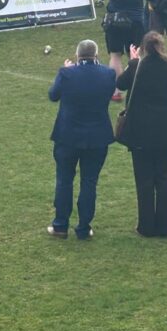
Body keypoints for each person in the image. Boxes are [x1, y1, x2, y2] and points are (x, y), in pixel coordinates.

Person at [115, 33, 167, 237]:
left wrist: (133, 62)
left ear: (143, 48)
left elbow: (121, 82)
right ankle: (166, 225)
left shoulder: (137, 67)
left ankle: (146, 225)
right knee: (164, 177)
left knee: (144, 180)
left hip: (141, 131)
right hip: (166, 130)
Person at [47, 39, 116, 240]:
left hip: (68, 136)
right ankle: (84, 227)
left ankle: (60, 225)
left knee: (64, 180)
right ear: (96, 55)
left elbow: (53, 95)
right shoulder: (108, 74)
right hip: (97, 137)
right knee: (89, 182)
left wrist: (65, 70)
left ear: (77, 55)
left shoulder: (67, 74)